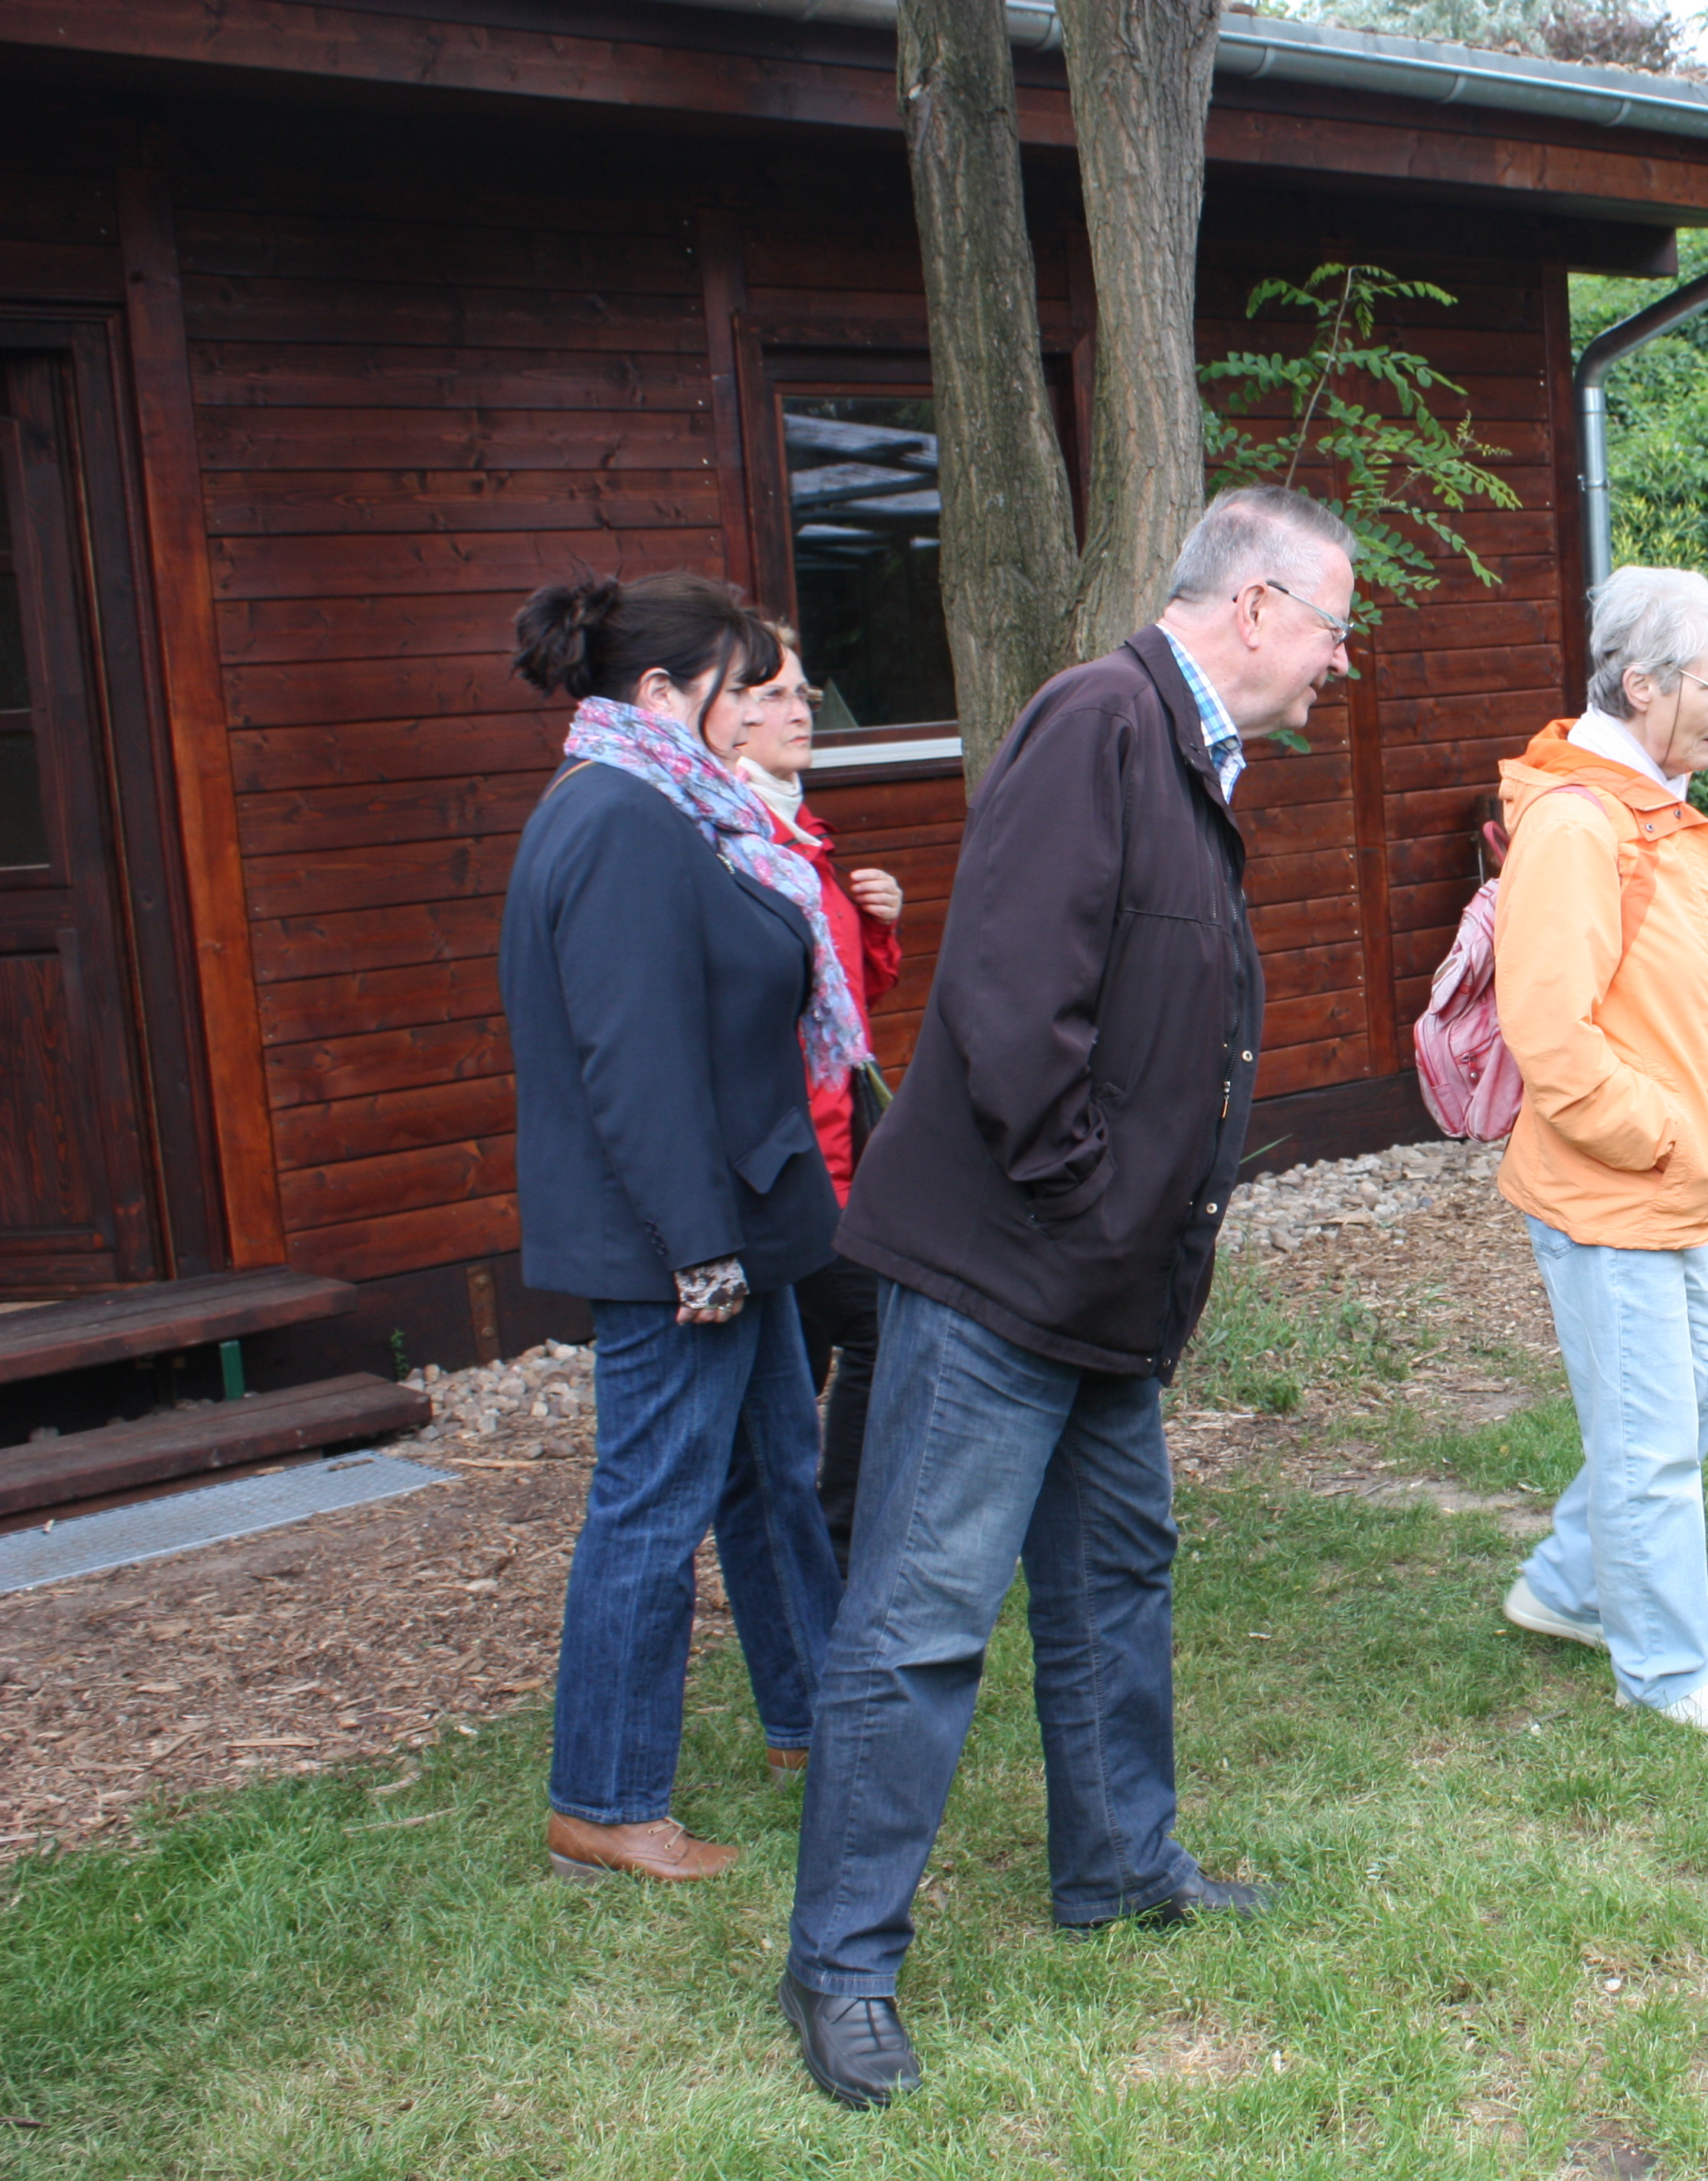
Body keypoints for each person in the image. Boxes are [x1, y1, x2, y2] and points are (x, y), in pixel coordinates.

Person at [779, 486, 1356, 2110]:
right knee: (922, 1614)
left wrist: (1134, 1232)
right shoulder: (1098, 720)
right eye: (1330, 628)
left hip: (1101, 1277)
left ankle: (1116, 1864)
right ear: (1253, 606)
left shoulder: (1182, 750)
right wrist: (1098, 1195)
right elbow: (1011, 1001)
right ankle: (838, 1964)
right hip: (1010, 1267)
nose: (1335, 665)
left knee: (1117, 1570)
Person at [499, 572, 859, 1885]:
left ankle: (820, 1719)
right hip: (677, 1243)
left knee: (769, 1474)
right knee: (649, 1508)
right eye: (738, 677)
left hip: (735, 1220)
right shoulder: (620, 820)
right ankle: (602, 1796)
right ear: (663, 692)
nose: (766, 699)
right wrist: (696, 1248)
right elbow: (632, 1057)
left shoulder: (665, 806)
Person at [1488, 565, 1708, 1734]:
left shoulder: (1647, 800)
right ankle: (1666, 1675)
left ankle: (1566, 1584)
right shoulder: (1578, 820)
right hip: (1615, 1183)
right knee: (1652, 1440)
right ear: (1643, 683)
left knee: (1706, 1381)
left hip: (1659, 1183)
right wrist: (1658, 1134)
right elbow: (1550, 1035)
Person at [734, 633, 905, 1579]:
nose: (802, 710)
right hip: (791, 1162)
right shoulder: (739, 842)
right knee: (858, 1338)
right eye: (775, 694)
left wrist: (876, 927)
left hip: (838, 1153)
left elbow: (844, 1004)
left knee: (823, 1353)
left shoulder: (805, 838)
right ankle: (820, 1545)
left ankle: (811, 1547)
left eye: (806, 692)